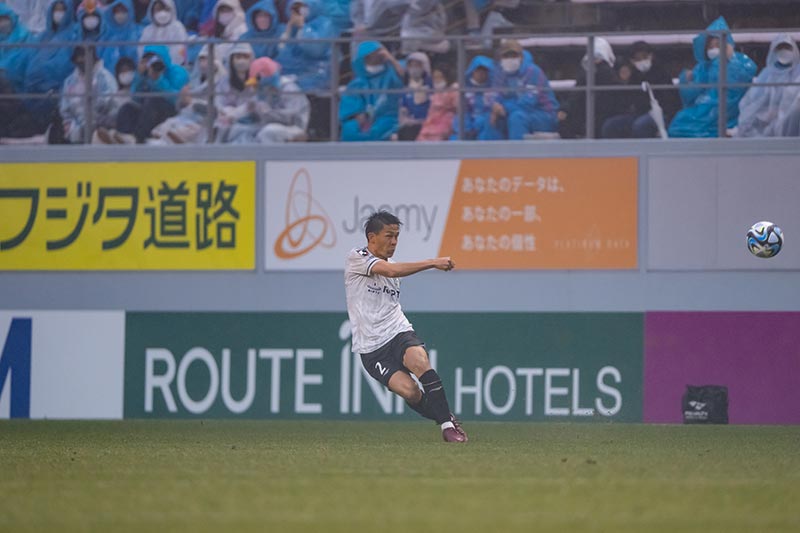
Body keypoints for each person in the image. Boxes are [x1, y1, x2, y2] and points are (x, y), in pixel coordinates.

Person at [344, 210, 468, 443]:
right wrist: (433, 262)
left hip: (397, 331)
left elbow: (393, 271)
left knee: (420, 361)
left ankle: (447, 427)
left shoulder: (393, 268)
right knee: (410, 391)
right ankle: (445, 416)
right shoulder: (358, 257)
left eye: (397, 236)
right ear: (372, 237)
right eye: (389, 236)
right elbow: (391, 271)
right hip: (372, 348)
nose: (394, 242)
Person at [668, 16, 757, 138]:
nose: (714, 49)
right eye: (710, 47)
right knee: (678, 124)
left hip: (729, 111)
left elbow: (737, 87)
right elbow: (691, 94)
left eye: (717, 45)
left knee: (687, 126)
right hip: (705, 110)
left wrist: (729, 61)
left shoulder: (739, 61)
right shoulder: (704, 67)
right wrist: (686, 80)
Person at [96, 44, 189, 143]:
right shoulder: (145, 74)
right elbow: (135, 98)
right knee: (127, 108)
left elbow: (175, 99)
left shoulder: (177, 72)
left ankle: (138, 139)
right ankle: (123, 136)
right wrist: (140, 76)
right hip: (148, 111)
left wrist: (158, 80)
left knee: (152, 102)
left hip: (169, 110)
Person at [559, 37, 628, 139]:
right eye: (594, 57)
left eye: (598, 57)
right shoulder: (586, 73)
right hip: (587, 113)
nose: (596, 61)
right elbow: (576, 95)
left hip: (607, 114)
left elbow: (618, 98)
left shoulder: (609, 72)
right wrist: (565, 109)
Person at [489, 39, 558, 140]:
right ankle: (489, 150)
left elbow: (528, 102)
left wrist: (504, 107)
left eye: (514, 55)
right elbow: (495, 94)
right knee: (489, 118)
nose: (510, 59)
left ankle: (517, 150)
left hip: (543, 113)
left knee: (517, 118)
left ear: (521, 56)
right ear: (500, 58)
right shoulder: (500, 72)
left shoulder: (533, 72)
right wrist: (495, 106)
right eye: (506, 56)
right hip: (513, 111)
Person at [339, 41, 404, 141]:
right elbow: (350, 106)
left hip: (388, 117)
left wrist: (391, 59)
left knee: (381, 128)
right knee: (349, 129)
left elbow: (405, 78)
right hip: (365, 119)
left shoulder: (392, 74)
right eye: (369, 57)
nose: (374, 59)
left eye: (378, 56)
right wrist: (360, 116)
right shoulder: (357, 83)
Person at [737, 35, 800, 137]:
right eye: (780, 48)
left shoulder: (797, 74)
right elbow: (752, 102)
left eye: (787, 48)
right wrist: (768, 113)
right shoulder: (767, 74)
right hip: (766, 127)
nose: (784, 51)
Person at [59, 46, 118, 143]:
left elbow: (108, 103)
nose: (81, 61)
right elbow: (65, 107)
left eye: (84, 57)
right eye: (79, 58)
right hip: (76, 128)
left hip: (101, 124)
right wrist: (69, 123)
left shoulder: (105, 78)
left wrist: (89, 120)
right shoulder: (70, 82)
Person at [450, 55, 500, 140]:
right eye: (478, 70)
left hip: (487, 125)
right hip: (468, 124)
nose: (481, 73)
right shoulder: (464, 88)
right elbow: (461, 110)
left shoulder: (494, 89)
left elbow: (496, 106)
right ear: (473, 70)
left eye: (484, 71)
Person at [139, 0, 188, 66]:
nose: (162, 13)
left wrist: (166, 64)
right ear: (152, 12)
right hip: (151, 69)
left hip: (173, 67)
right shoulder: (148, 30)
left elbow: (180, 50)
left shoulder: (178, 28)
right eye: (158, 10)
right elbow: (141, 50)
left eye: (165, 9)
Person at [396, 51, 431, 141]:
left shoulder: (431, 88)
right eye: (411, 65)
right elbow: (403, 109)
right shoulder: (404, 90)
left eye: (417, 65)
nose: (414, 69)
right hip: (410, 126)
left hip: (428, 125)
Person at [99, 0, 142, 74]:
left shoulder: (139, 32)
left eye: (123, 10)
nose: (120, 14)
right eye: (117, 11)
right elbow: (98, 55)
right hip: (108, 76)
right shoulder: (106, 34)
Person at [417, 65, 457, 141]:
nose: (437, 80)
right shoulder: (435, 93)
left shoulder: (453, 89)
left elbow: (457, 107)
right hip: (431, 123)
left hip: (446, 122)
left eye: (440, 77)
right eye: (435, 77)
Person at [0, 2, 32, 93]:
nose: (2, 23)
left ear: (12, 18)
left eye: (5, 18)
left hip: (19, 88)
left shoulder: (25, 37)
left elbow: (25, 63)